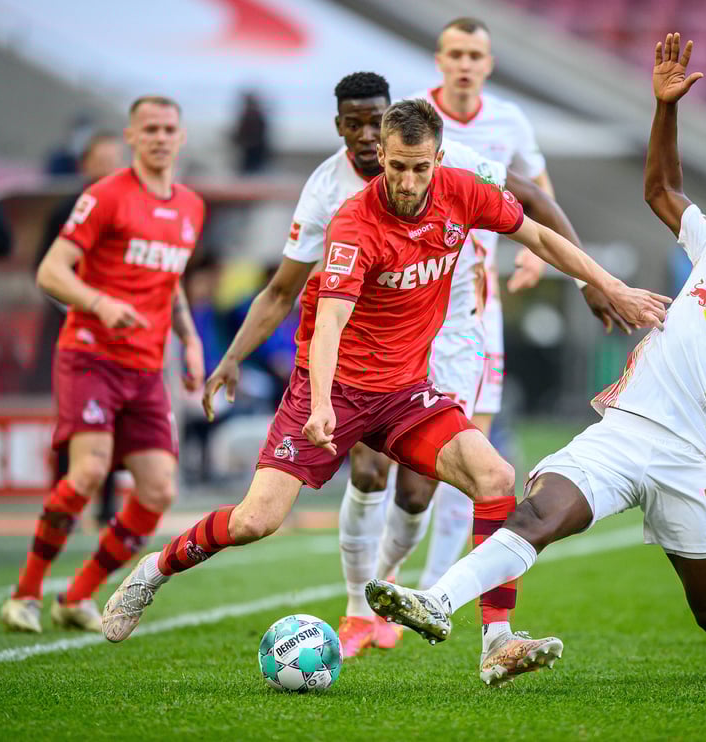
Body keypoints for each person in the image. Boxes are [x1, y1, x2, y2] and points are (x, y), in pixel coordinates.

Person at [365, 33, 706, 685]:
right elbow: (662, 189)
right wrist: (665, 108)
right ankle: (438, 602)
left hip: (687, 460)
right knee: (537, 515)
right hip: (621, 433)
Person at [100, 100, 669, 682]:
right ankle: (154, 571)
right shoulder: (355, 223)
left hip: (405, 392)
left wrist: (609, 284)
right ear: (383, 158)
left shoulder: (462, 191)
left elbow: (540, 236)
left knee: (494, 477)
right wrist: (321, 402)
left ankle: (496, 640)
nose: (406, 180)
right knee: (255, 520)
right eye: (396, 166)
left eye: (419, 167)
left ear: (438, 159)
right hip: (336, 390)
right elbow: (328, 325)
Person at [197, 72, 622, 657]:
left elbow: (536, 210)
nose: (372, 141)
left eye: (379, 123)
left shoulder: (456, 168)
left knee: (441, 488)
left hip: (439, 348)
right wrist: (244, 361)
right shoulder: (334, 199)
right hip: (348, 364)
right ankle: (354, 608)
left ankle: (445, 611)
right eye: (358, 126)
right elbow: (291, 298)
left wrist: (597, 282)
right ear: (341, 127)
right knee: (349, 483)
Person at [0, 96, 205, 634]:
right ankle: (23, 595)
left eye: (169, 128)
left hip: (145, 367)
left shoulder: (190, 206)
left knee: (159, 490)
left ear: (181, 138)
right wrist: (98, 302)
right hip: (90, 354)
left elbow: (171, 280)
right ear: (131, 138)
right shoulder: (105, 196)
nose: (161, 137)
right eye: (150, 129)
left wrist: (189, 342)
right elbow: (50, 272)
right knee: (89, 470)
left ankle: (77, 596)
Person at [399, 17, 585, 590]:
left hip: (475, 305)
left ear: (488, 63)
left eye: (474, 54)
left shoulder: (508, 120)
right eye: (454, 52)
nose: (464, 64)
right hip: (410, 297)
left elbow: (536, 185)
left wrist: (537, 254)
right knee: (405, 465)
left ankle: (432, 586)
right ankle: (377, 582)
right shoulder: (411, 120)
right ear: (438, 58)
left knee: (470, 448)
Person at [30, 132, 129, 526]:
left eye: (114, 159)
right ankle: (62, 503)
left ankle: (106, 507)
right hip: (74, 332)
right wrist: (82, 306)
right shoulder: (68, 209)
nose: (108, 167)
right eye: (101, 160)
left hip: (120, 333)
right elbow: (46, 270)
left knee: (114, 420)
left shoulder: (128, 206)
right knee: (75, 421)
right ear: (85, 164)